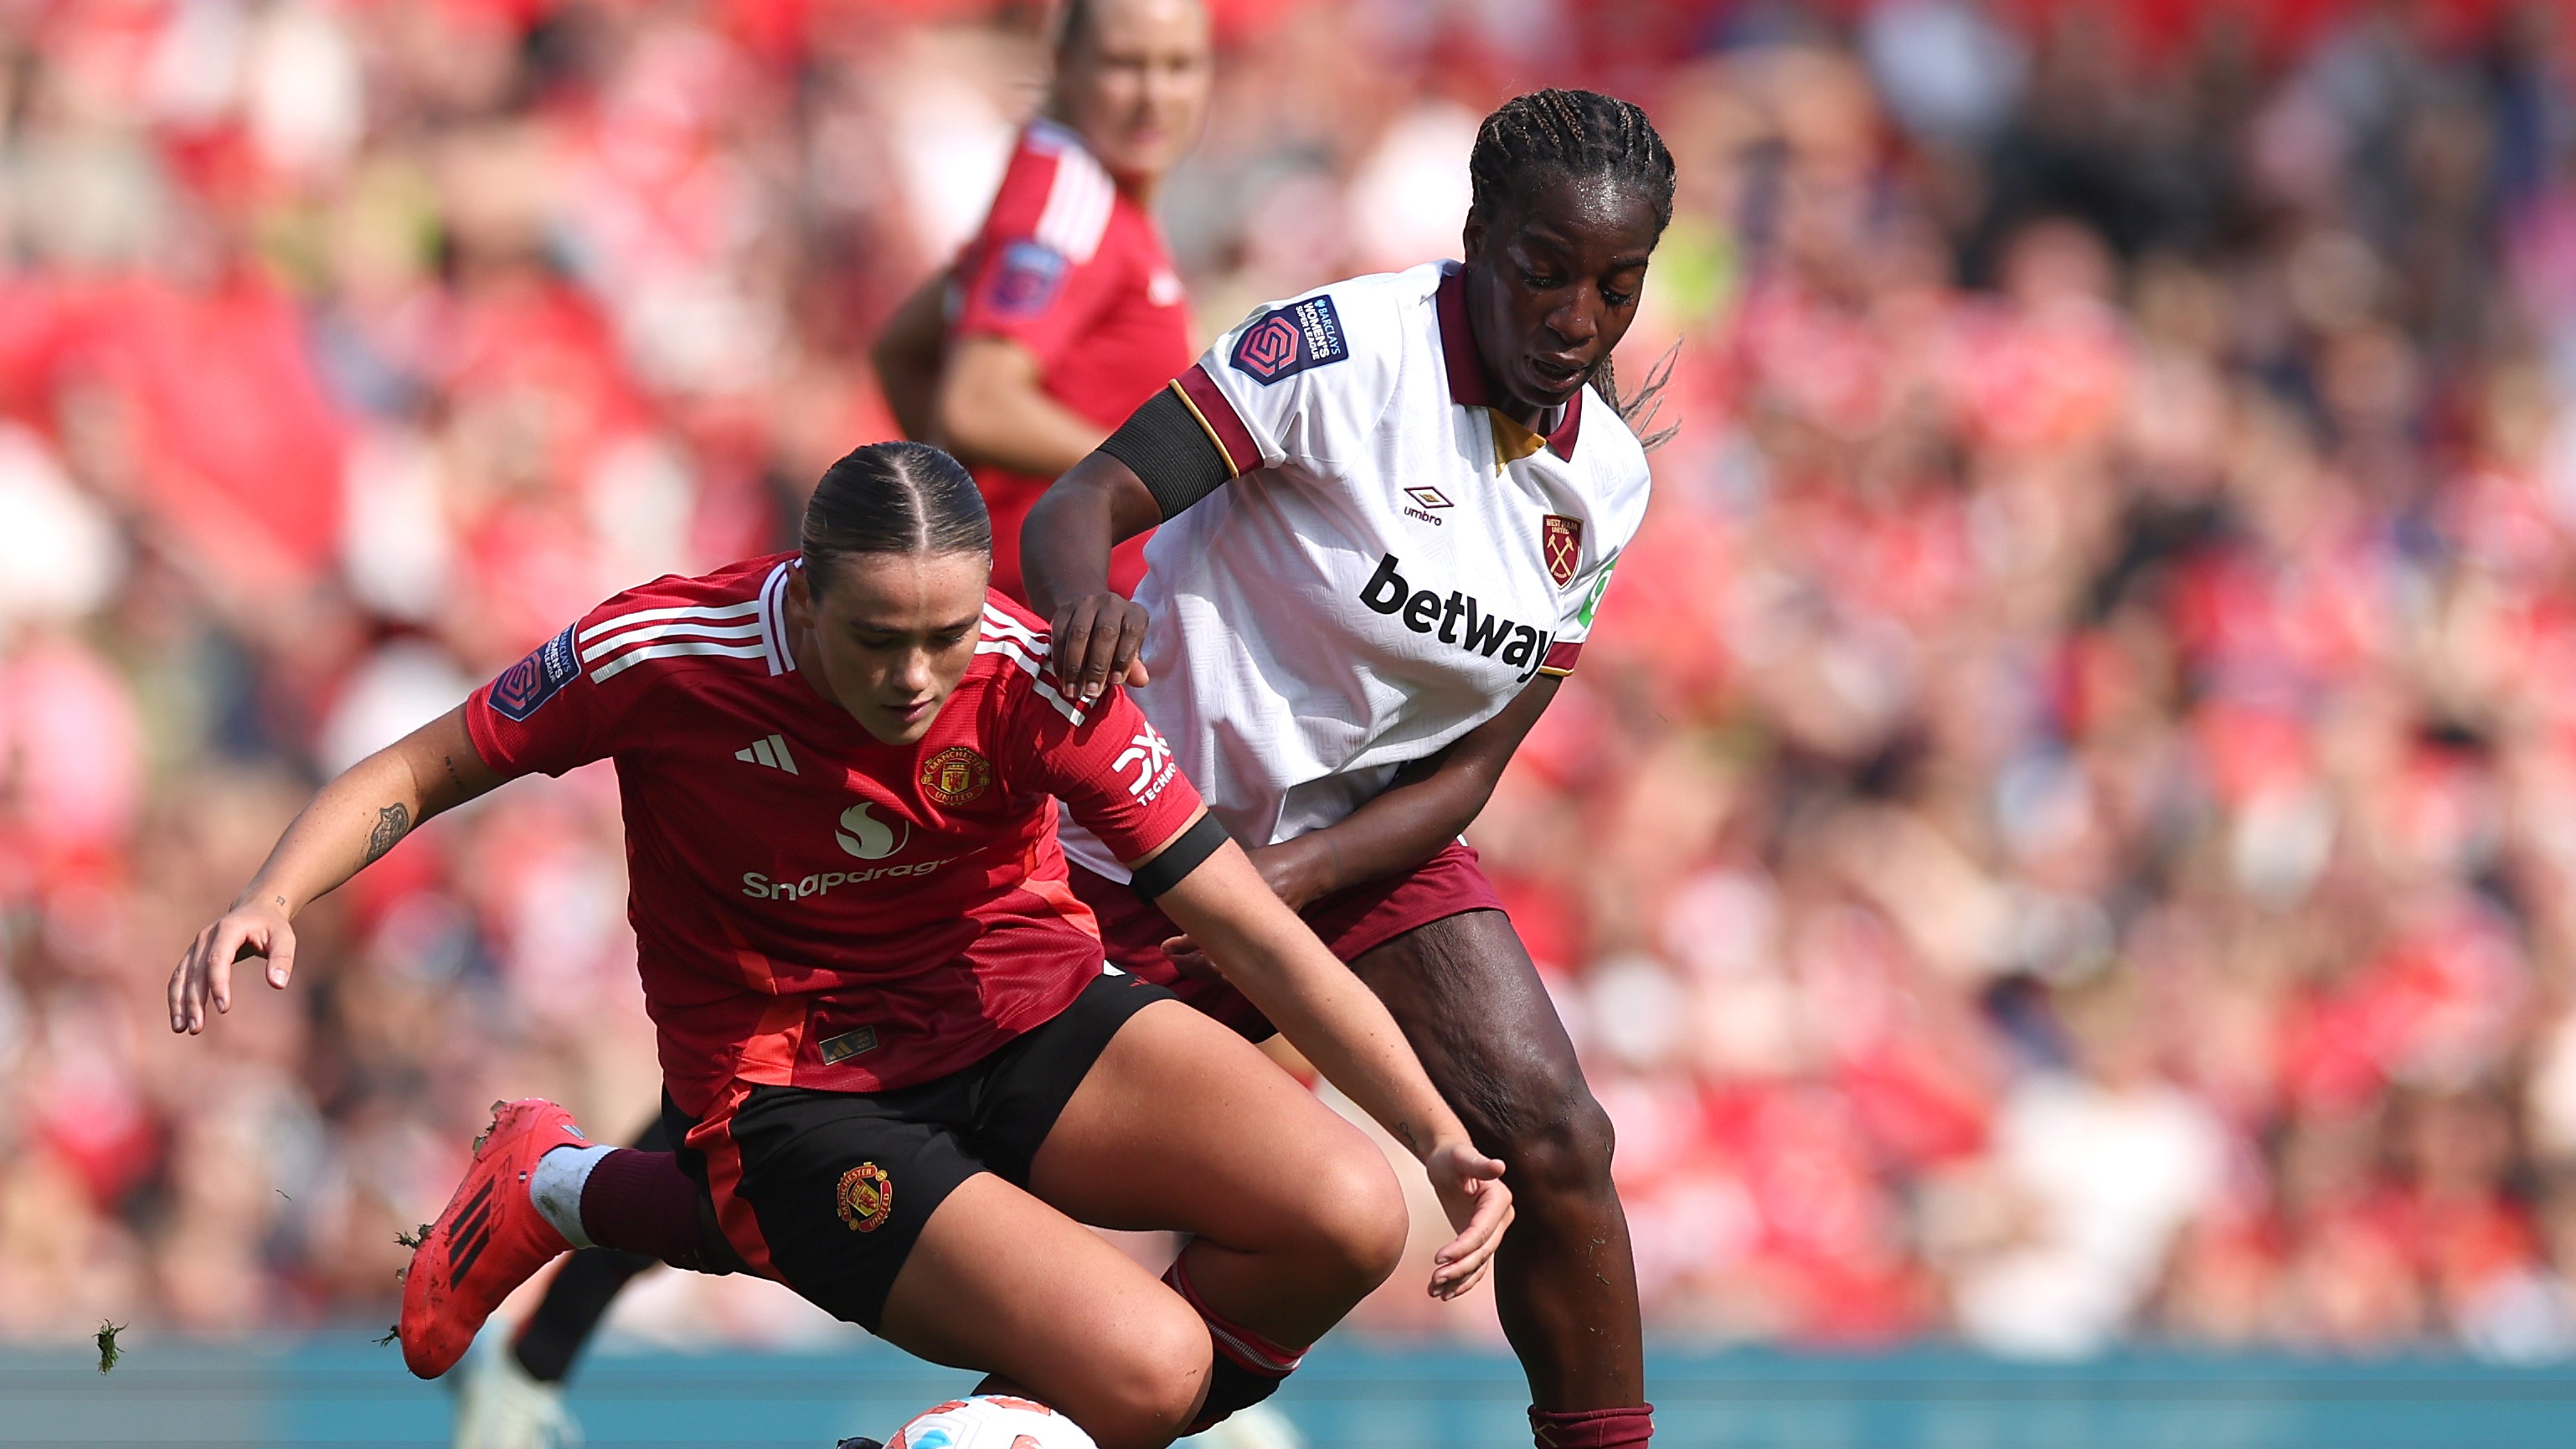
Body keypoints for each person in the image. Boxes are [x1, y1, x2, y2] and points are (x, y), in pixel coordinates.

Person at [168, 442, 1512, 1449]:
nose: (920, 673)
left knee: (1351, 1217)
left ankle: (985, 1422)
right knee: (1151, 1373)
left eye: (947, 629)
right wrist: (273, 891)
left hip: (1027, 1017)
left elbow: (1246, 925)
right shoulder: (666, 650)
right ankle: (595, 1199)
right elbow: (428, 761)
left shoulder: (1035, 674)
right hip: (795, 1088)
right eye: (880, 636)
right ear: (803, 598)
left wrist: (1439, 1129)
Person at [1019, 90, 1674, 1449]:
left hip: (1358, 847)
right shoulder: (1333, 351)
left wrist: (1286, 884)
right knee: (927, 1184)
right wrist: (1086, 609)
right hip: (1137, 839)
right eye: (1541, 273)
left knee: (1553, 1144)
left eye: (1613, 289)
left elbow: (1470, 773)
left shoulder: (1602, 480)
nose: (1573, 320)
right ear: (1476, 237)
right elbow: (1083, 502)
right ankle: (579, 1199)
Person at [873, 0, 1209, 603]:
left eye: (1179, 64)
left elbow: (901, 350)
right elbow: (977, 402)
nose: (1154, 94)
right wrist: (1144, 478)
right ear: (1064, 65)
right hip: (1054, 622)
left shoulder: (1077, 186)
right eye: (1124, 64)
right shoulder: (1069, 199)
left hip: (1056, 609)